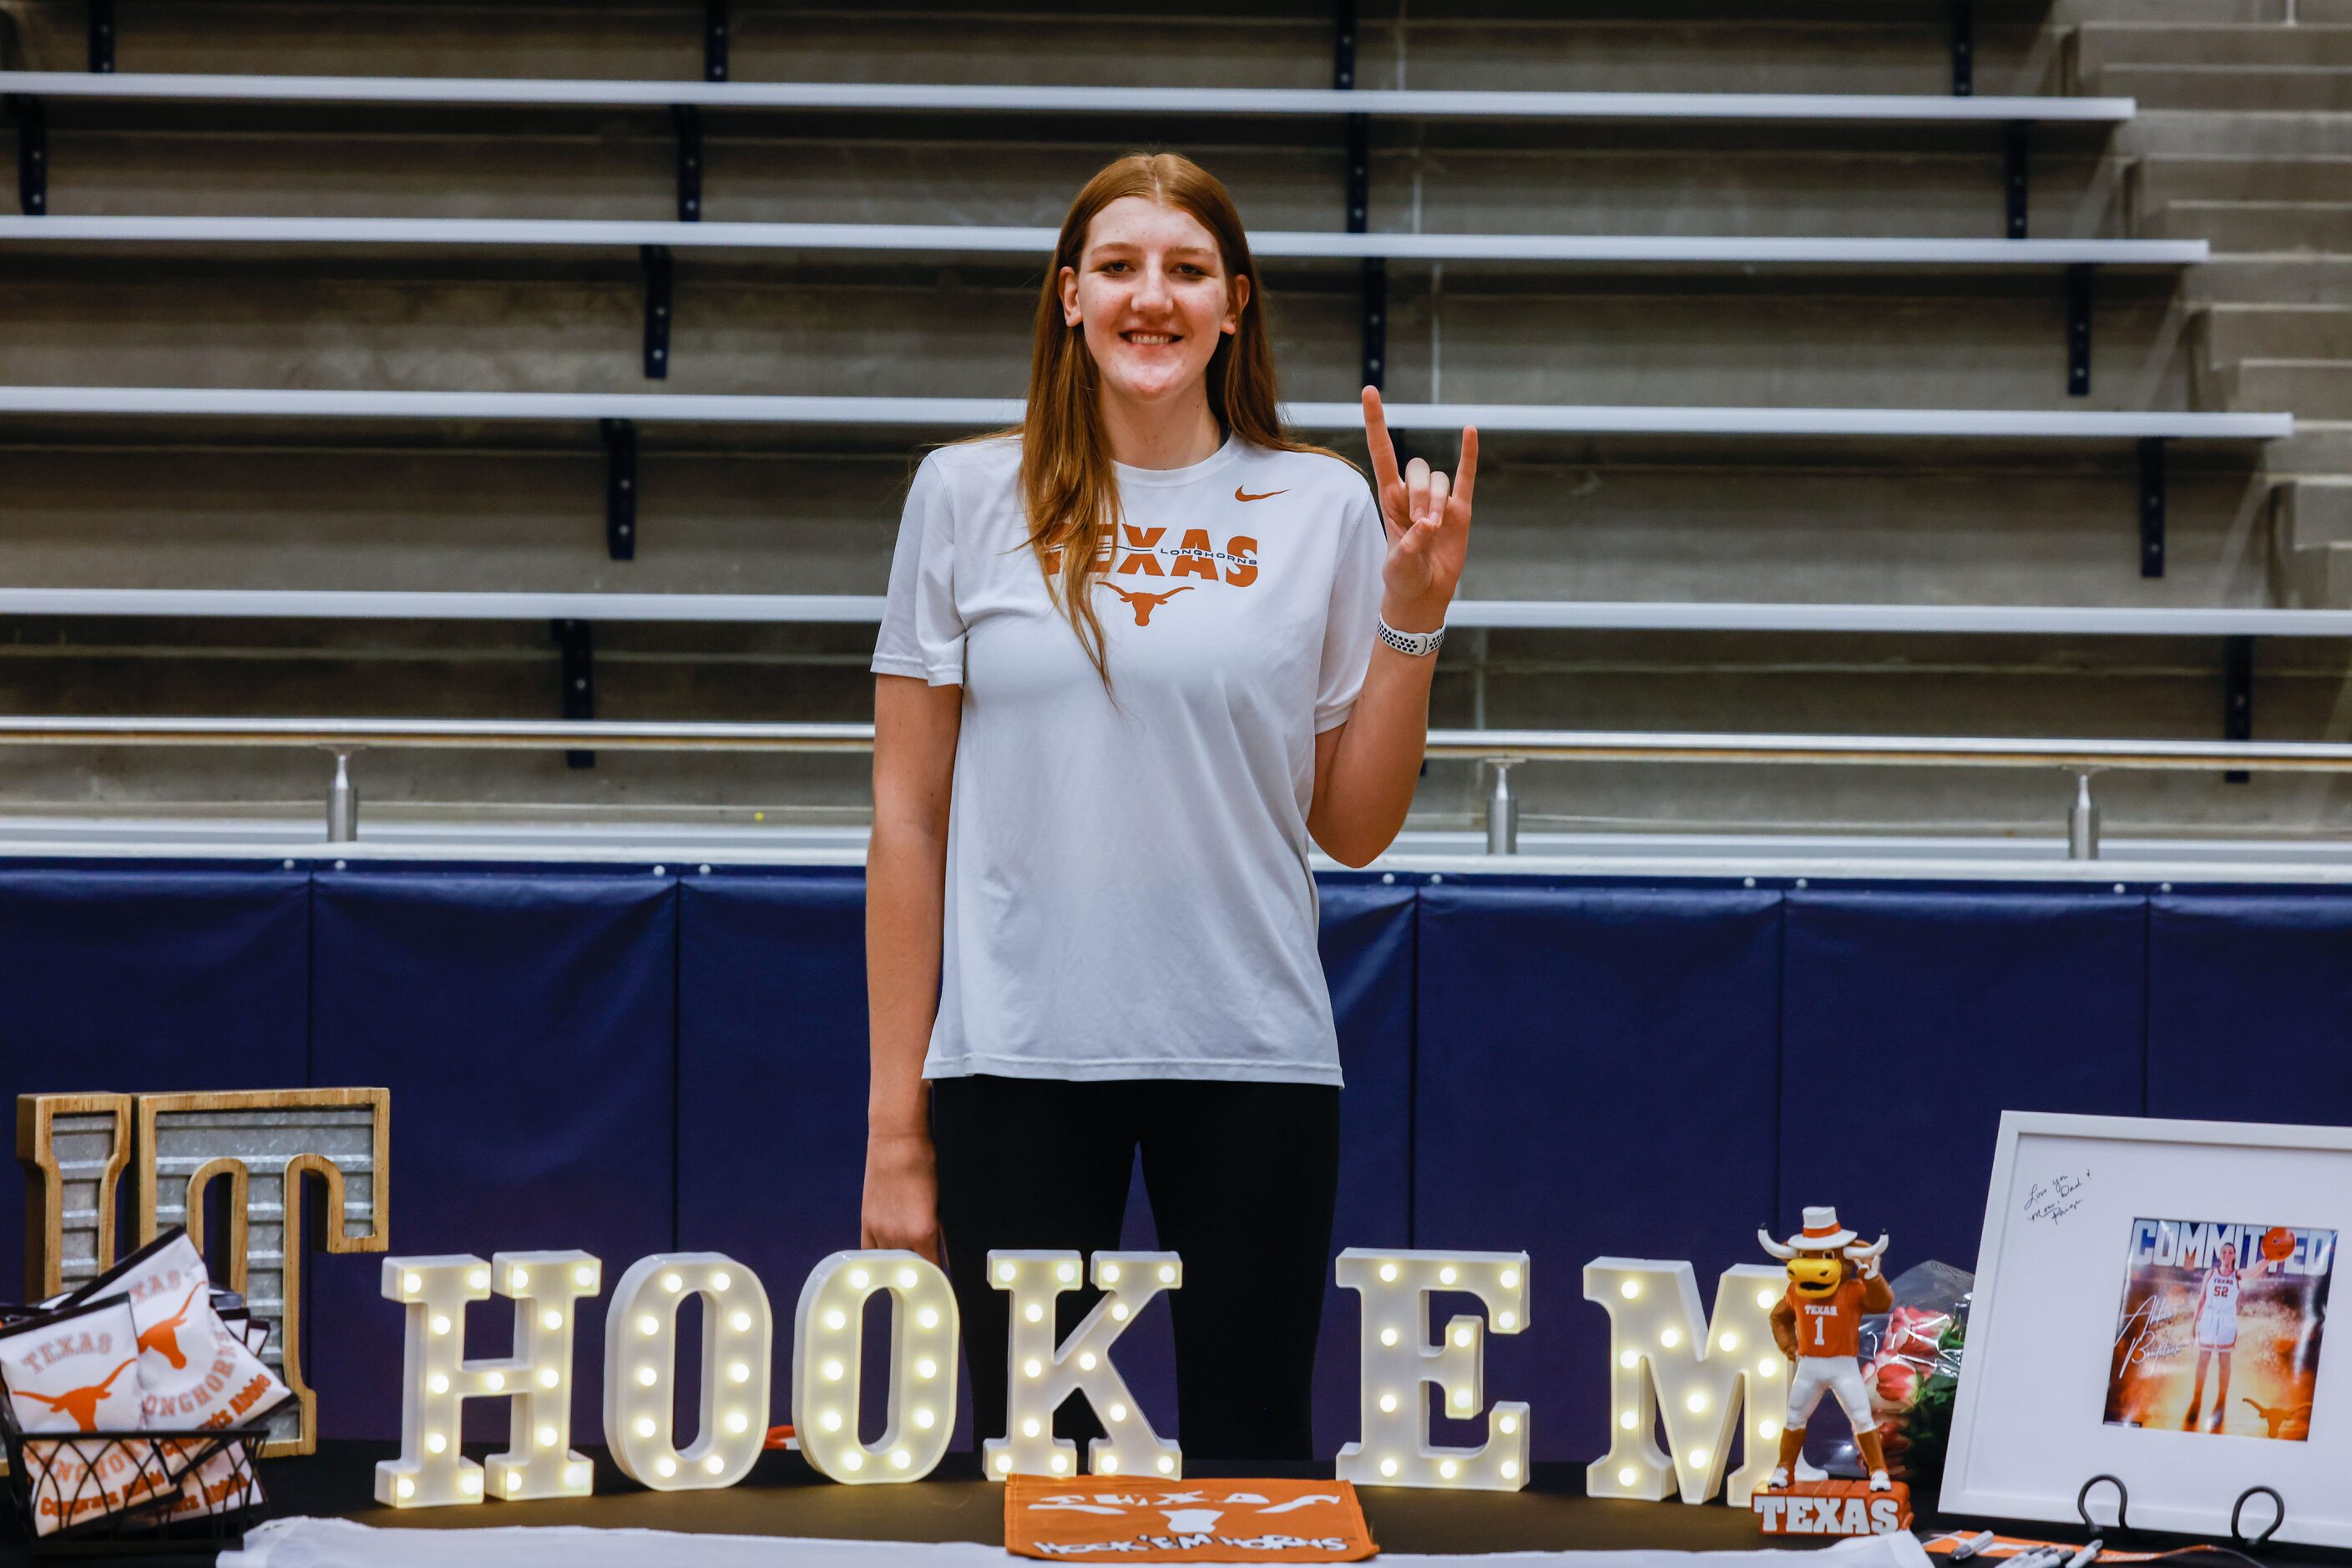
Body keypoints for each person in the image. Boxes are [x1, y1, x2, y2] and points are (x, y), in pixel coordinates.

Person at [860, 150, 1476, 1463]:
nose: (1155, 296)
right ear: (1069, 296)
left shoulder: (1320, 506)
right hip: (1014, 1058)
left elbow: (1352, 828)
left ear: (1234, 305)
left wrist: (1411, 622)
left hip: (1248, 1053)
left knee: (1255, 1465)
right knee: (1048, 1481)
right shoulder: (962, 497)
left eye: (1188, 269)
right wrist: (894, 1129)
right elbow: (905, 820)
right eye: (1123, 267)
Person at [2183, 1237, 2272, 1434]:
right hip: (2208, 1318)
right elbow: (2201, 1299)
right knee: (2203, 1359)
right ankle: (2197, 1399)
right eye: (2224, 1252)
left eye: (2230, 1252)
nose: (2227, 1255)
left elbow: (2254, 1272)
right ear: (2220, 1255)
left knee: (2224, 1360)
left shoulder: (2237, 1275)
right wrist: (2193, 1324)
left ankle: (2221, 1400)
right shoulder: (2211, 1273)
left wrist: (2268, 1259)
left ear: (2234, 1256)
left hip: (2227, 1321)